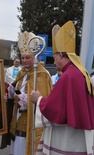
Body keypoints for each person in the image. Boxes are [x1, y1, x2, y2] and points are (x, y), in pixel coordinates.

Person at [30, 21, 94, 154]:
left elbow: (56, 110)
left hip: (66, 140)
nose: (53, 62)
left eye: (54, 57)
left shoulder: (69, 76)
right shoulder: (80, 72)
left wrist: (39, 99)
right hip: (79, 137)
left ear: (60, 55)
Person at [5, 31, 52, 155]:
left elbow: (45, 101)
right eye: (23, 58)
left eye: (28, 58)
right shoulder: (21, 73)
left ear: (34, 57)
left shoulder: (42, 75)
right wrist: (10, 91)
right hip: (17, 125)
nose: (24, 61)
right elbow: (14, 93)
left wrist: (25, 100)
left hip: (30, 127)